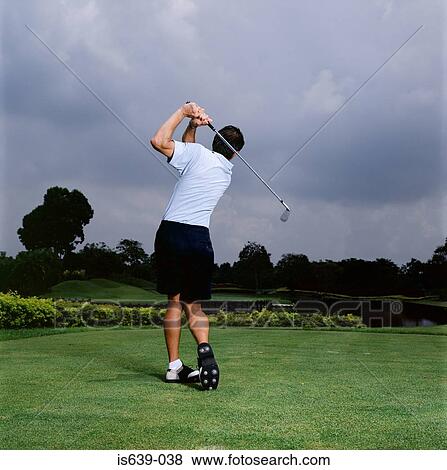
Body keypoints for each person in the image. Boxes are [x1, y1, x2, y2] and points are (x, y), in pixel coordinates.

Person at [150, 102, 244, 390]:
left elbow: (159, 141)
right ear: (235, 153)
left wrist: (184, 112)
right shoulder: (226, 171)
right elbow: (190, 153)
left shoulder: (196, 155)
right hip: (201, 240)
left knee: (174, 301)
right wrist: (193, 128)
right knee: (195, 305)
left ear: (214, 141)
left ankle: (174, 366)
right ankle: (204, 347)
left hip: (173, 233)